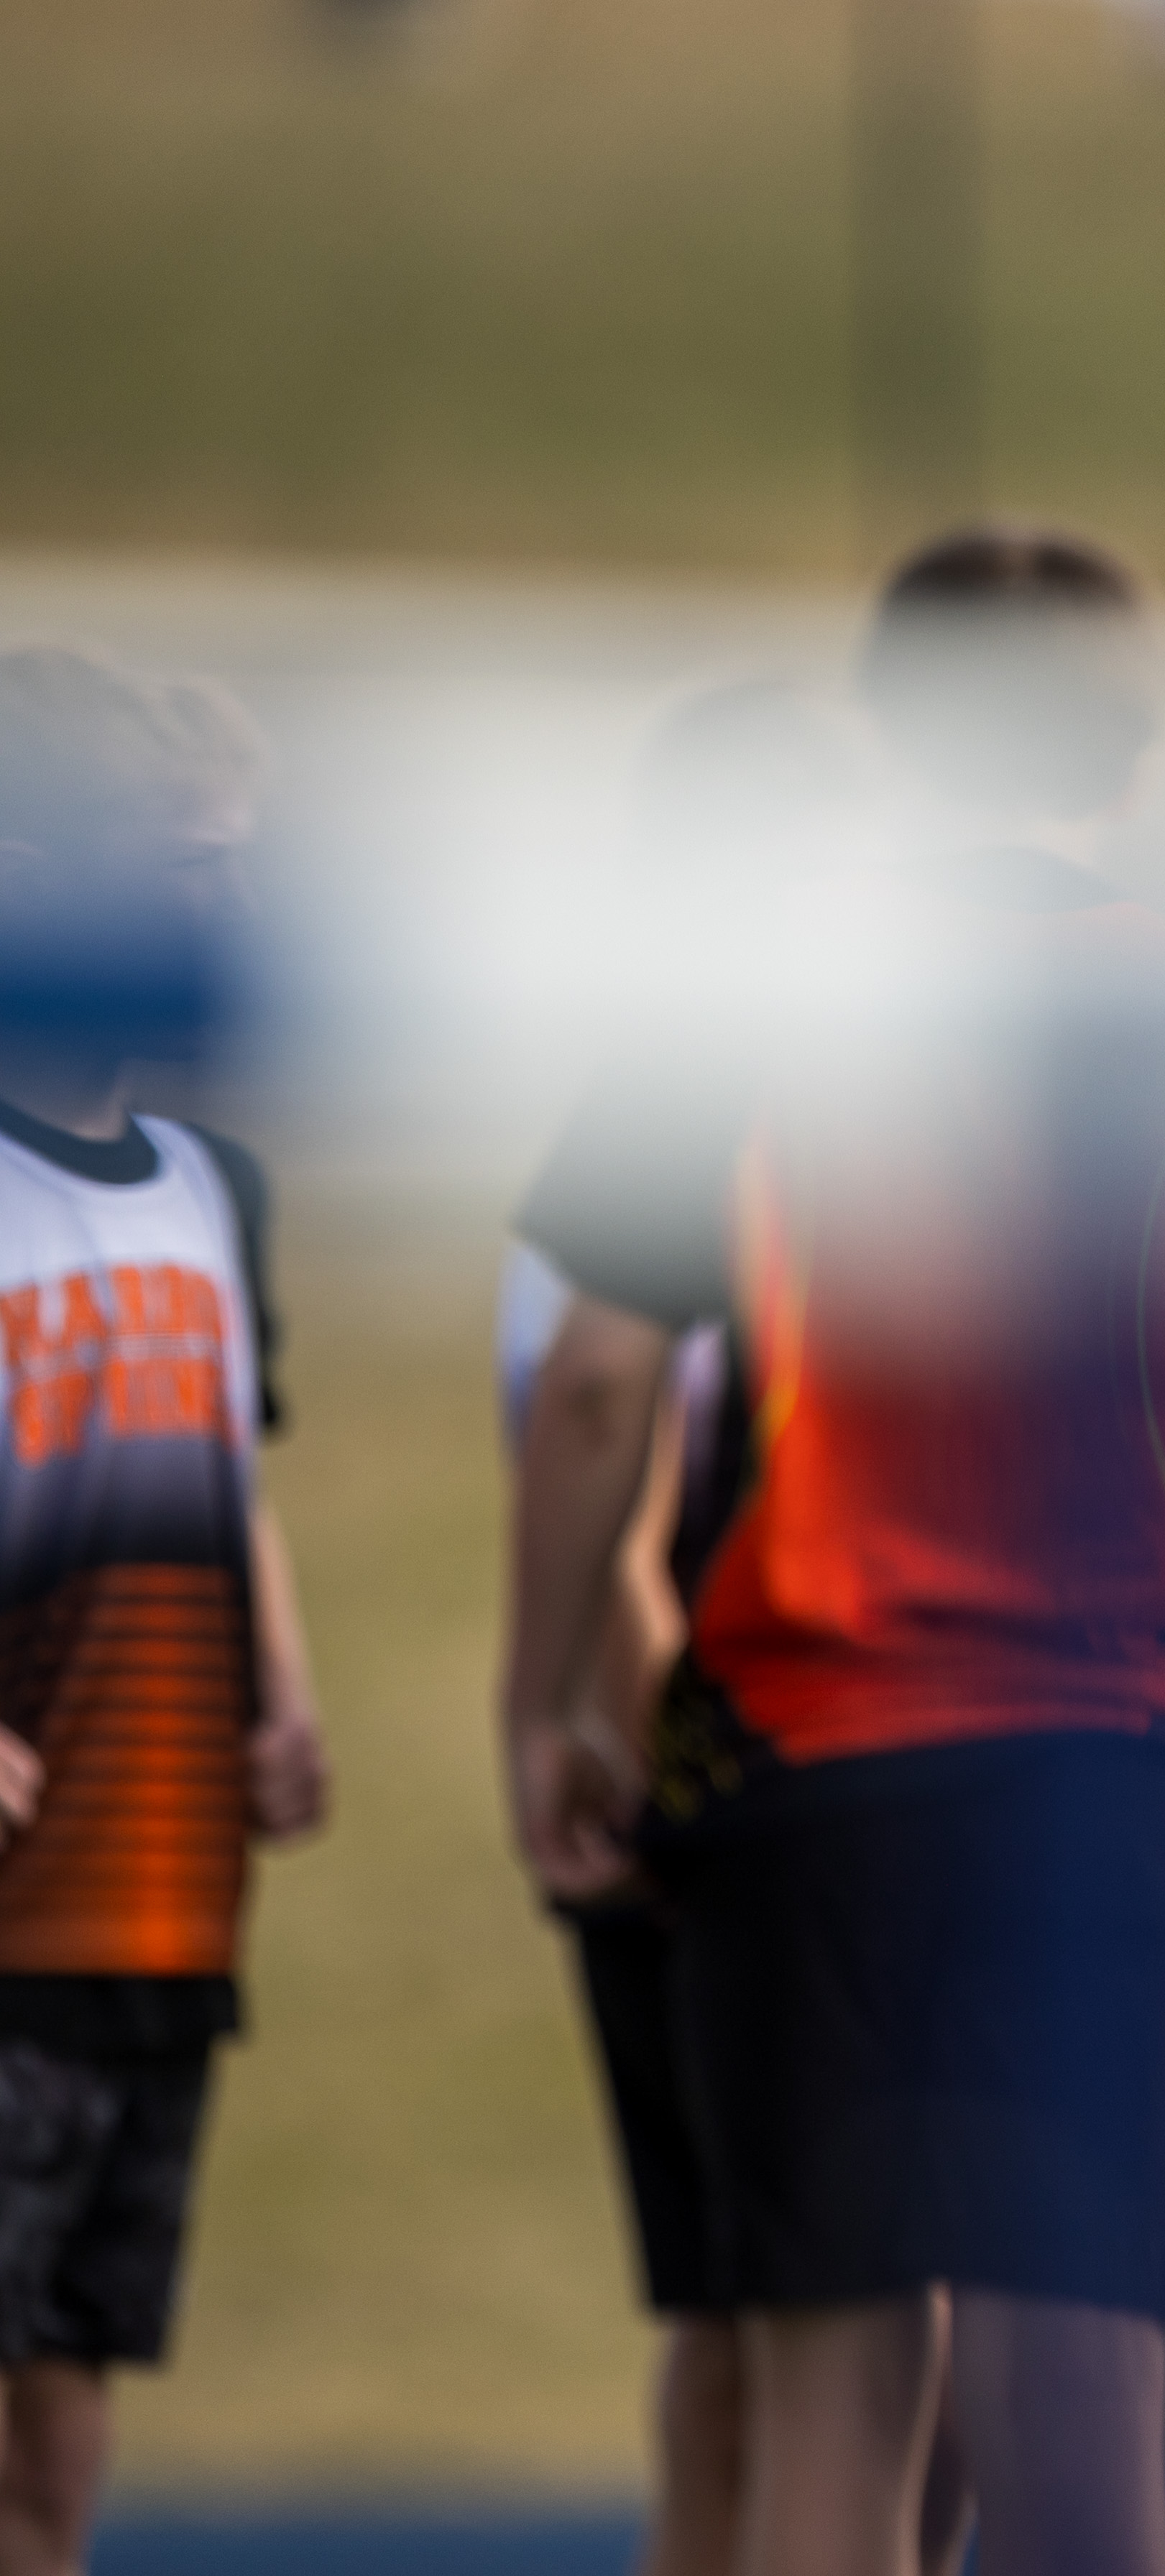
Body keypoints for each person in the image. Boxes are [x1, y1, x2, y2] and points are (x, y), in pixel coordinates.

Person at [499, 528, 1165, 2576]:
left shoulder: (752, 993)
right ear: (1141, 742)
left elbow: (590, 1387)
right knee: (1078, 2397)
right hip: (1100, 1780)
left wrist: (538, 1706)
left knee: (833, 2404)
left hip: (787, 1776)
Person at [489, 679, 977, 2576]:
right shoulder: (665, 1124)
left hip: (835, 1767)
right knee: (783, 2335)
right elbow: (602, 1465)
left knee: (848, 2338)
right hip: (772, 1770)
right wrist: (632, 1750)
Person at [0, 643, 331, 2575]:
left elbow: (222, 1458)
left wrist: (282, 1695)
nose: (235, 915)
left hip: (152, 1897)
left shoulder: (214, 1184)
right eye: (197, 867)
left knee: (59, 2446)